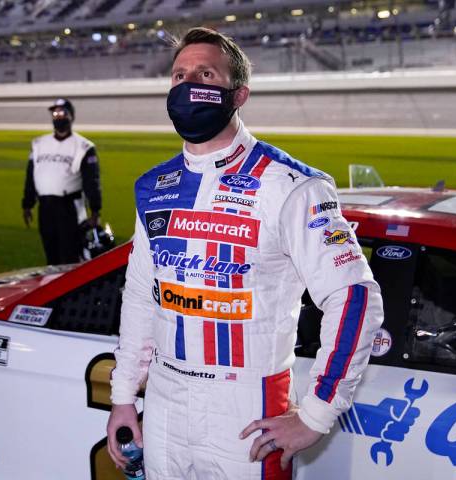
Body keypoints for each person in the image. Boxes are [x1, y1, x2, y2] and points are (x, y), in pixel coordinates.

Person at [106, 27, 383, 479]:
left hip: (247, 406)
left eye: (205, 73)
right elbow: (141, 296)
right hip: (164, 399)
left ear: (239, 95)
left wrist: (316, 415)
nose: (188, 84)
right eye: (179, 75)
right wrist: (123, 398)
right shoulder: (153, 187)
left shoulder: (292, 185)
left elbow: (354, 297)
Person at [22, 98, 102, 265]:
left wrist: (95, 210)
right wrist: (27, 204)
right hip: (46, 208)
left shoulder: (84, 146)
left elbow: (91, 181)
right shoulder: (39, 144)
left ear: (71, 116)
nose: (58, 116)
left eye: (62, 112)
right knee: (51, 255)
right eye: (55, 113)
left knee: (70, 256)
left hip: (69, 208)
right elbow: (31, 175)